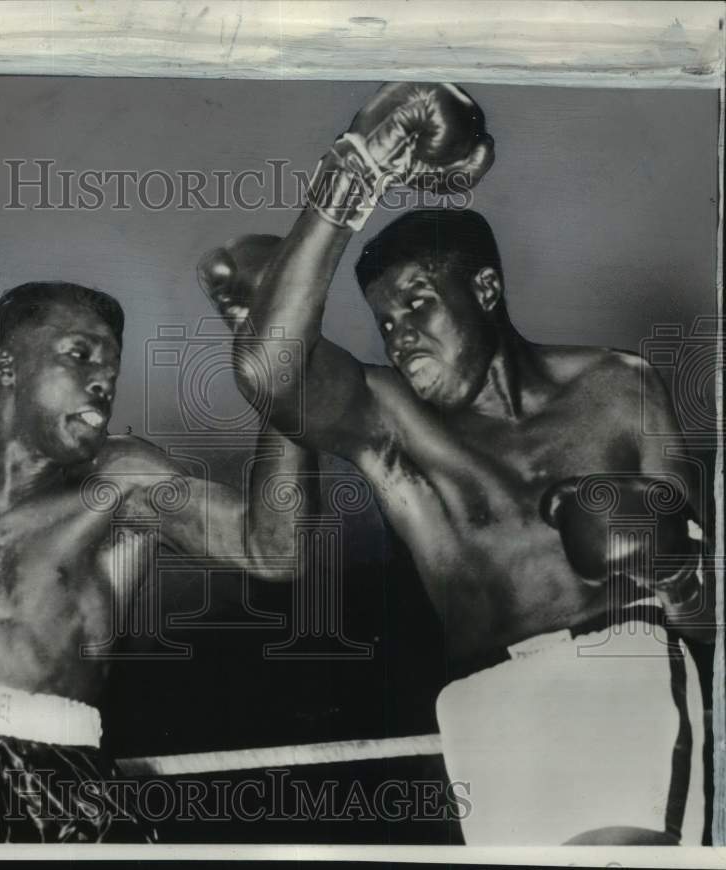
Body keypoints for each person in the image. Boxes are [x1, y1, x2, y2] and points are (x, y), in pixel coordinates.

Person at [205, 81, 715, 845]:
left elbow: (704, 610)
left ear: (484, 289)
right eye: (383, 319)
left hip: (618, 681)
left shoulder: (620, 387)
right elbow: (273, 376)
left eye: (417, 302)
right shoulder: (395, 425)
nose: (399, 333)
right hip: (483, 710)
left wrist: (675, 571)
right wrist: (360, 163)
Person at [0, 281, 316, 843]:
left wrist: (281, 371)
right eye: (80, 353)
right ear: (8, 366)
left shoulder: (121, 482)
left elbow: (275, 550)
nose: (103, 380)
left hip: (70, 790)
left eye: (113, 370)